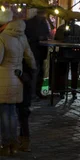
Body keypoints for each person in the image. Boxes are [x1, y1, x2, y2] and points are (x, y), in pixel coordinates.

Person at [0, 19, 36, 156]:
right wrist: (33, 70)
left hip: (3, 79)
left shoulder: (3, 37)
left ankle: (6, 144)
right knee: (12, 113)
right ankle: (14, 143)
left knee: (4, 112)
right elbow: (30, 57)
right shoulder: (22, 37)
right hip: (17, 79)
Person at [54, 20, 80, 100]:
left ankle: (62, 92)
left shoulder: (61, 28)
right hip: (75, 54)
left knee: (63, 73)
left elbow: (56, 39)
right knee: (74, 73)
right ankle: (73, 92)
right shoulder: (78, 28)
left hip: (63, 54)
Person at [24, 9, 51, 100]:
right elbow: (28, 37)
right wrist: (37, 38)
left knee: (40, 73)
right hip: (34, 51)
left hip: (41, 51)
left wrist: (45, 37)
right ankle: (32, 94)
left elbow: (48, 33)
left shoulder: (44, 22)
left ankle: (37, 92)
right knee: (34, 73)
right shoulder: (30, 23)